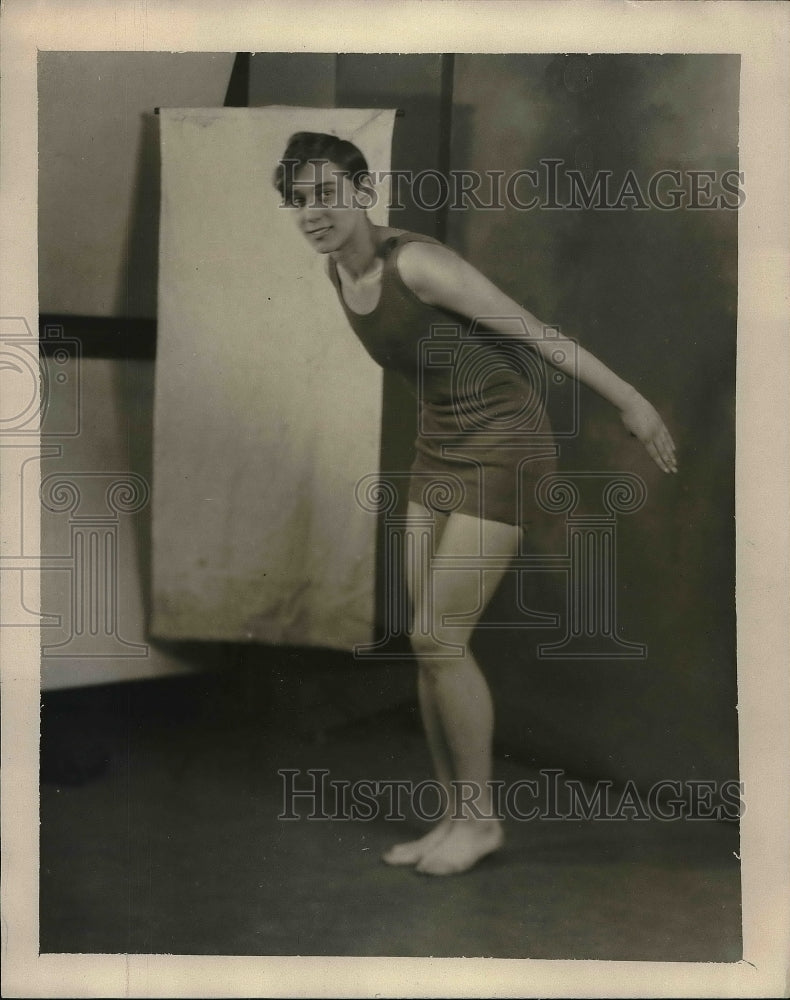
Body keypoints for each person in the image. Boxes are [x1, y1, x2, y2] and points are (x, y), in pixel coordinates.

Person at [273, 132, 677, 876]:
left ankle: (482, 822)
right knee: (423, 641)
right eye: (298, 200)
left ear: (365, 193)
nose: (312, 212)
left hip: (506, 444)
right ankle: (453, 817)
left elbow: (538, 334)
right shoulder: (339, 270)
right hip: (439, 444)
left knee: (439, 638)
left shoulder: (419, 263)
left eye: (327, 193)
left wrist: (634, 403)